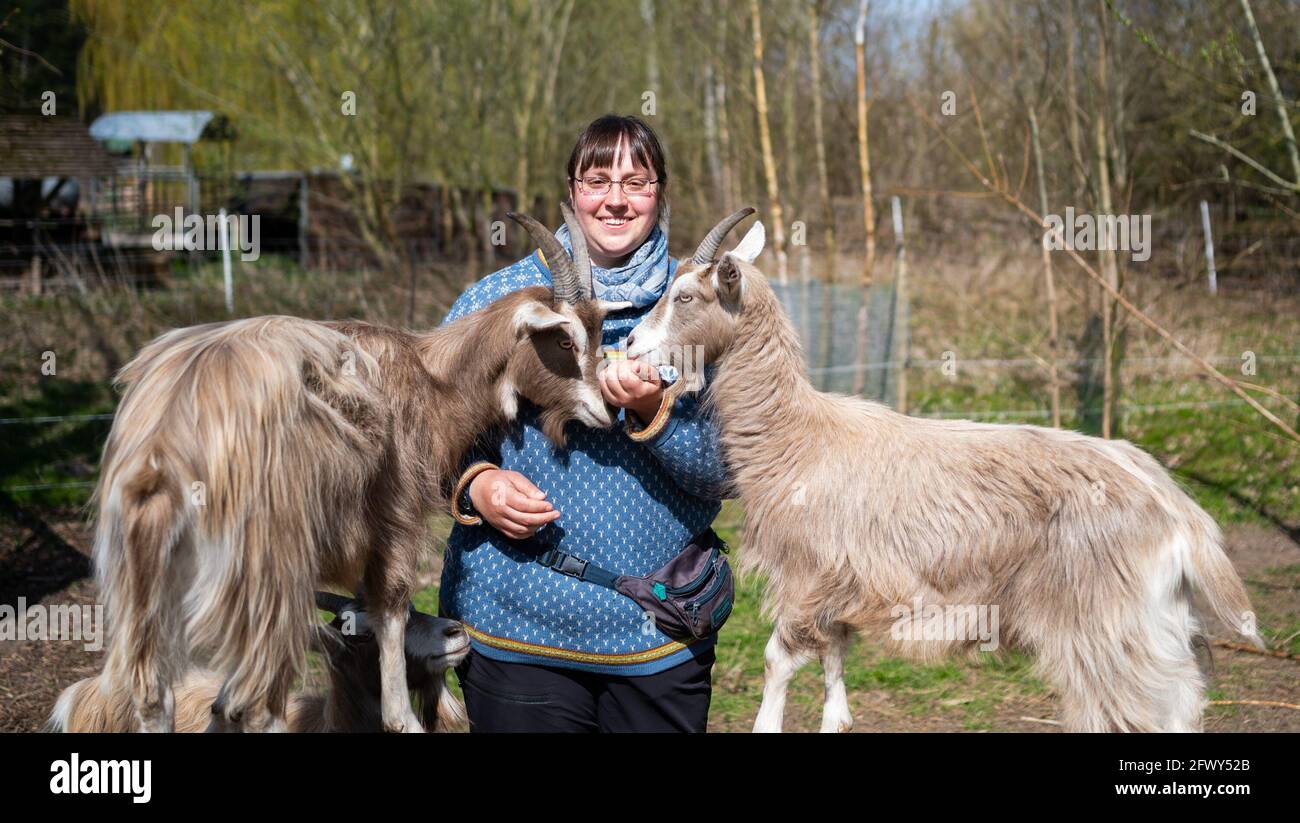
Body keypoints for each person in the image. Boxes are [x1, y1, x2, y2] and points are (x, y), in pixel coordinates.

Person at [438, 114, 730, 732]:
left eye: (637, 180)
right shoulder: (500, 303)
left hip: (657, 634)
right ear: (571, 192)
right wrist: (478, 487)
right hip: (516, 631)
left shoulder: (703, 308)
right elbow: (430, 444)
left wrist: (656, 412)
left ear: (661, 193)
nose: (617, 199)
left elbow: (728, 473)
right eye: (598, 179)